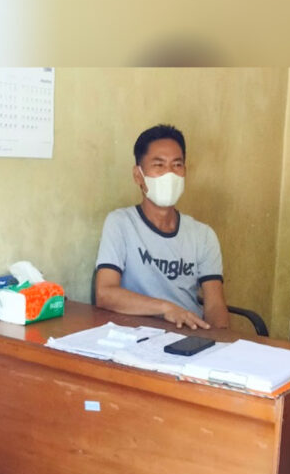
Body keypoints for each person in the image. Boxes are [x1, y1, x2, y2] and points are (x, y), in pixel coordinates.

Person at [94, 124, 230, 329]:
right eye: (159, 165)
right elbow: (105, 293)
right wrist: (165, 308)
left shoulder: (203, 235)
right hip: (136, 336)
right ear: (138, 175)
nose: (170, 174)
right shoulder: (120, 223)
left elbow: (215, 305)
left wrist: (221, 341)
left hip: (190, 334)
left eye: (177, 165)